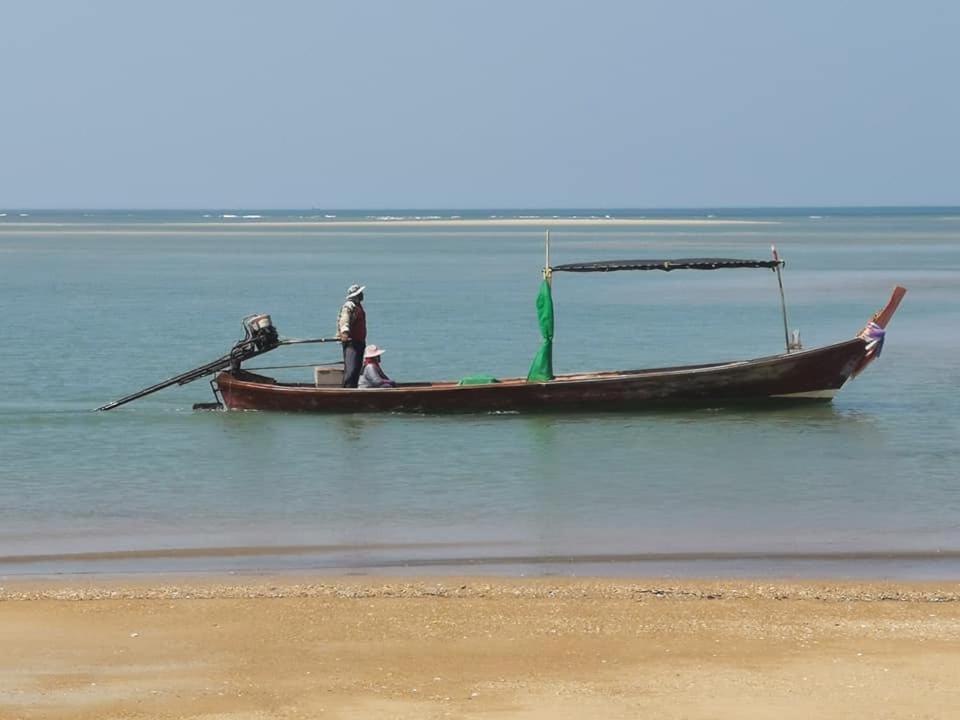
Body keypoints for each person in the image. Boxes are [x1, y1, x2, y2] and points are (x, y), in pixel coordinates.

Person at [337, 284, 367, 388]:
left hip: (359, 342)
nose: (363, 294)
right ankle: (348, 390)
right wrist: (345, 332)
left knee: (356, 369)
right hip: (352, 343)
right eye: (360, 293)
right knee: (351, 368)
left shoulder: (357, 306)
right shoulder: (349, 305)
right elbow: (344, 319)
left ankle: (353, 388)